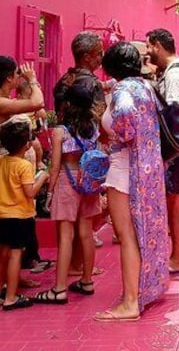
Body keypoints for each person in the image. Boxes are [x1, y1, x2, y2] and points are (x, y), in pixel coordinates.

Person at [94, 42, 169, 322]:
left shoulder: (123, 90)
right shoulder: (144, 86)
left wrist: (121, 135)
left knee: (126, 236)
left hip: (124, 167)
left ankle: (129, 302)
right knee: (141, 232)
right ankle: (140, 292)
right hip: (146, 166)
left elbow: (124, 114)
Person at [0, 56, 47, 295]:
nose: (21, 77)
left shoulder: (4, 101)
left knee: (19, 229)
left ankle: (12, 276)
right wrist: (33, 80)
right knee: (1, 236)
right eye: (17, 74)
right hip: (8, 175)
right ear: (9, 78)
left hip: (19, 173)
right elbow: (37, 102)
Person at [34, 83, 102, 305]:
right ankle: (87, 280)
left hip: (67, 179)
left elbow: (54, 166)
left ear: (67, 104)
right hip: (89, 180)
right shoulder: (93, 127)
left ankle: (59, 288)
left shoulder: (60, 131)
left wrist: (50, 191)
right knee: (86, 233)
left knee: (65, 236)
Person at [53, 32, 107, 277]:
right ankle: (82, 268)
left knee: (69, 222)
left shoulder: (64, 80)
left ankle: (72, 267)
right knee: (85, 220)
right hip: (86, 154)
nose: (100, 57)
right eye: (98, 53)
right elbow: (100, 118)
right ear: (86, 56)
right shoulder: (92, 84)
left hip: (65, 152)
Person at [146, 28, 179, 274]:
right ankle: (173, 255)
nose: (147, 52)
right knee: (171, 199)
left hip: (177, 149)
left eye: (148, 46)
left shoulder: (176, 74)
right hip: (177, 148)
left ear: (157, 45)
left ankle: (177, 257)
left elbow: (175, 111)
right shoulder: (171, 71)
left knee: (174, 200)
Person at [0, 119, 48, 310]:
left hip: (2, 214)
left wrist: (5, 188)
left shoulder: (0, 161)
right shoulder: (25, 165)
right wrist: (42, 176)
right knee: (15, 255)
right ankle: (11, 297)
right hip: (20, 215)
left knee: (3, 252)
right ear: (26, 144)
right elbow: (30, 192)